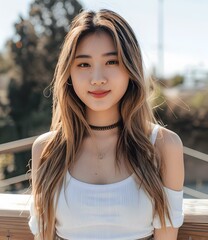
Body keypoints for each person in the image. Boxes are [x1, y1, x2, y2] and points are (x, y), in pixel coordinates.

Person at [28, 9, 184, 240]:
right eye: (83, 64)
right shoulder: (47, 149)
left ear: (131, 68)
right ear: (68, 73)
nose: (98, 78)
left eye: (112, 61)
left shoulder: (164, 146)